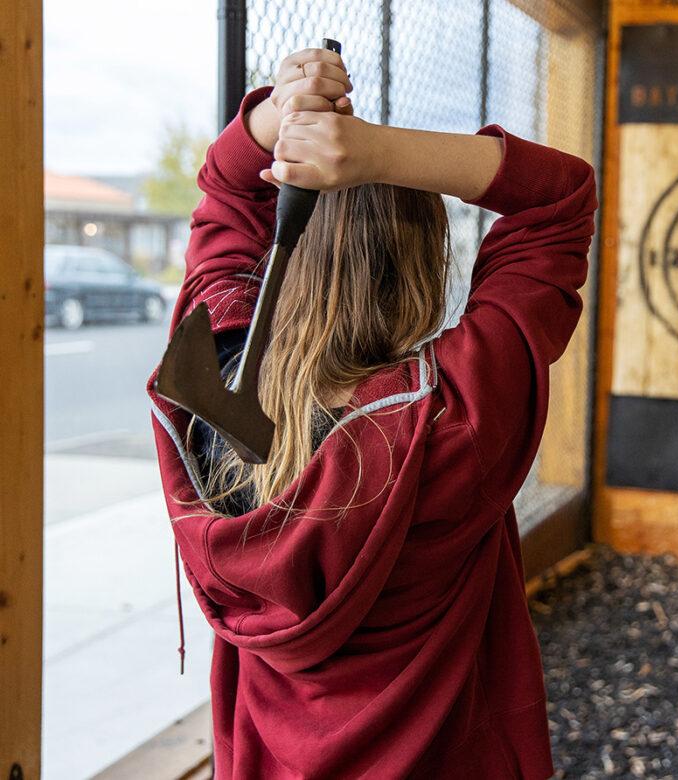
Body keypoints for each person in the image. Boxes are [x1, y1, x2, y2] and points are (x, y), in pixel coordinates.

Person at [145, 45, 597, 778]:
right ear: (424, 270)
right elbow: (561, 196)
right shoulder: (454, 416)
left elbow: (225, 191)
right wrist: (382, 154)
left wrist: (277, 115)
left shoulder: (202, 387)